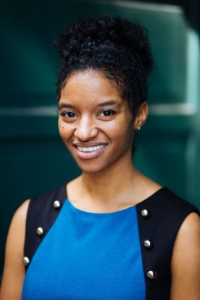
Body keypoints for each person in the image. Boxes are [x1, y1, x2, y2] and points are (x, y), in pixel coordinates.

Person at [0, 16, 199, 300]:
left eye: (106, 112)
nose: (83, 132)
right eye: (69, 114)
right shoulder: (28, 218)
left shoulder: (183, 229)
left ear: (139, 114)